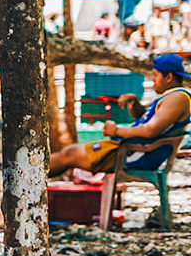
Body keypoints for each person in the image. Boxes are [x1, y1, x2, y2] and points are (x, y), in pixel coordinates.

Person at [49, 54, 191, 178]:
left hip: (135, 154)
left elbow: (150, 130)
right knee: (69, 152)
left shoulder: (178, 98)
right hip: (132, 150)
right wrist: (134, 102)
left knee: (69, 154)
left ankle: (30, 180)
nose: (152, 79)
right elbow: (143, 116)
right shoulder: (170, 96)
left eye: (155, 74)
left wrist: (116, 131)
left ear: (169, 77)